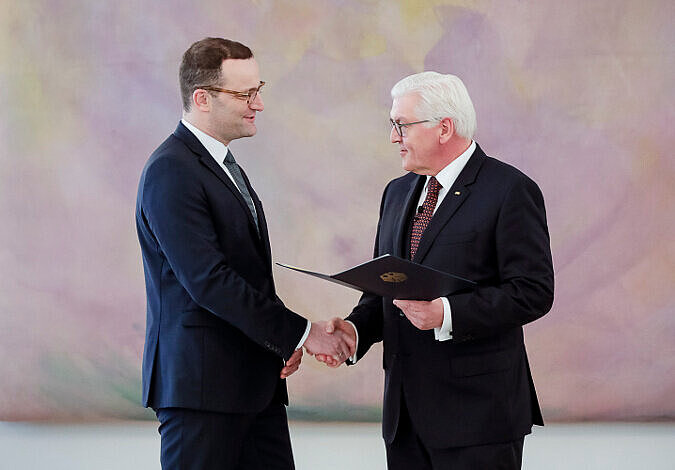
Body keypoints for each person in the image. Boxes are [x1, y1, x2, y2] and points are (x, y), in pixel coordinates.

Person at [135, 37, 354, 470]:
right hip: (202, 394)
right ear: (202, 98)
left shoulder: (222, 165)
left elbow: (247, 275)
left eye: (259, 89)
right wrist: (301, 333)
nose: (258, 104)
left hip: (254, 387)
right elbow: (210, 281)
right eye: (244, 94)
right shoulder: (171, 170)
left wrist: (279, 341)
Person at [318, 72, 554, 469]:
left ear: (444, 128)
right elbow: (386, 287)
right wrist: (355, 331)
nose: (394, 137)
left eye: (401, 125)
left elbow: (533, 291)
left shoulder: (510, 190)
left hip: (479, 421)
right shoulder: (397, 192)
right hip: (404, 419)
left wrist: (446, 313)